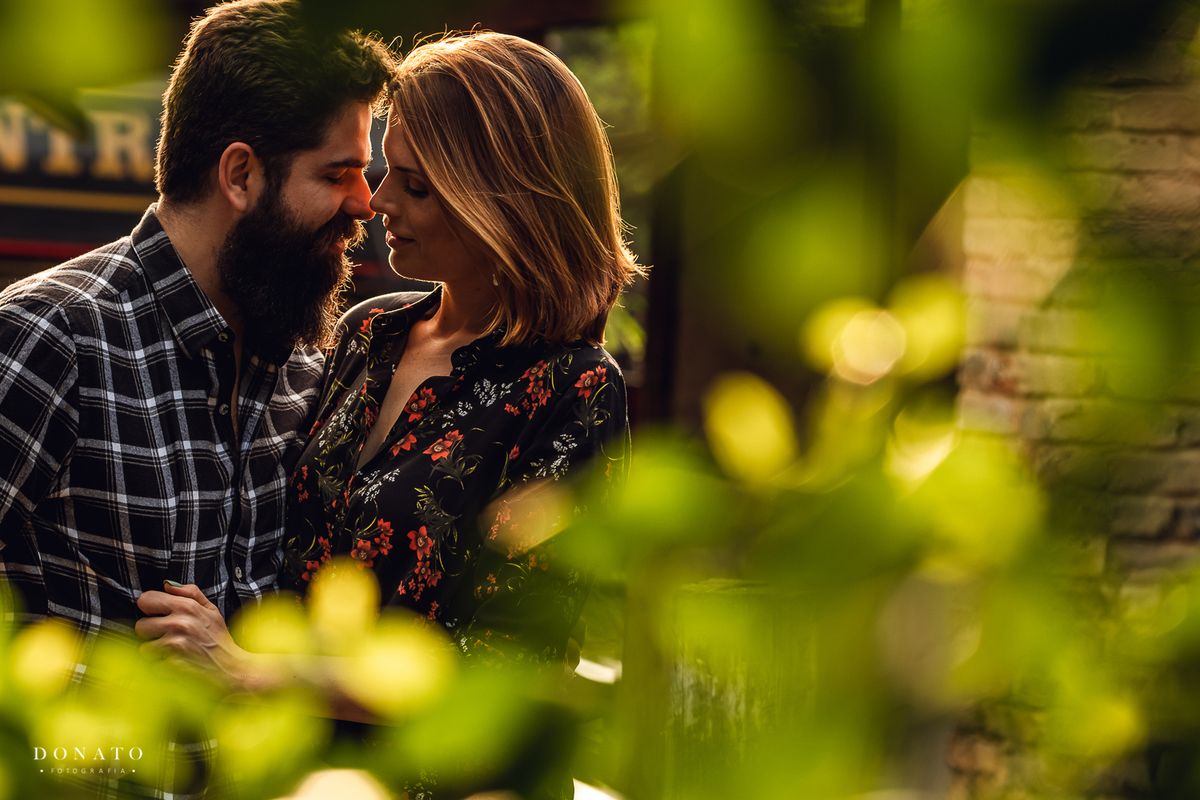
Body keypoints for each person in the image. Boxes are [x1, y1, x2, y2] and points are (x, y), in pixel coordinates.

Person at [136, 30, 644, 798]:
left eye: (417, 186)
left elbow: (513, 674)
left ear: (502, 196)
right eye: (384, 174)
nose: (377, 204)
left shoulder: (574, 389)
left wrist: (257, 673)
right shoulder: (370, 331)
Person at [0, 0, 392, 793]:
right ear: (240, 174)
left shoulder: (302, 362)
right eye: (337, 173)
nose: (365, 204)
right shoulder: (50, 335)